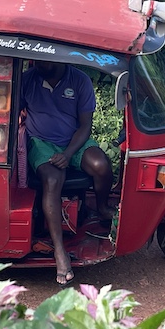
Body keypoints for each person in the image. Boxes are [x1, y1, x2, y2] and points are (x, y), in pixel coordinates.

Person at [21, 60, 116, 286]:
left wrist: (68, 153)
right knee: (53, 179)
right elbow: (13, 110)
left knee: (101, 165)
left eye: (45, 59)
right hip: (41, 142)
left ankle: (102, 208)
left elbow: (85, 125)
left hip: (74, 141)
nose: (37, 63)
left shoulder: (79, 80)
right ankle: (60, 251)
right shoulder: (28, 79)